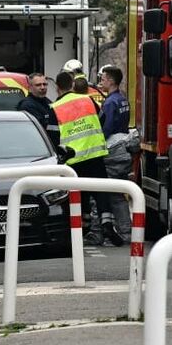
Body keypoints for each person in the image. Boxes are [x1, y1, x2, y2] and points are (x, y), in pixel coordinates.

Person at [51, 70, 123, 247]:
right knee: (101, 192)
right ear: (72, 84)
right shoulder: (87, 99)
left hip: (73, 158)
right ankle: (107, 225)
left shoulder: (55, 107)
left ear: (57, 87)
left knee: (79, 195)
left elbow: (53, 135)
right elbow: (101, 118)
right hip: (95, 154)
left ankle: (83, 229)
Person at [98, 65, 132, 240]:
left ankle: (125, 232)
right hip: (122, 146)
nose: (101, 82)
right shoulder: (122, 99)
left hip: (113, 150)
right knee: (119, 191)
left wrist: (98, 142)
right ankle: (125, 230)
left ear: (111, 81)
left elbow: (107, 126)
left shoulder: (110, 102)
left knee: (114, 194)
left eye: (103, 79)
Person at [17, 73, 60, 146]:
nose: (42, 87)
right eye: (38, 85)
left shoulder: (47, 102)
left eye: (45, 84)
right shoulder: (27, 106)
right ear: (30, 88)